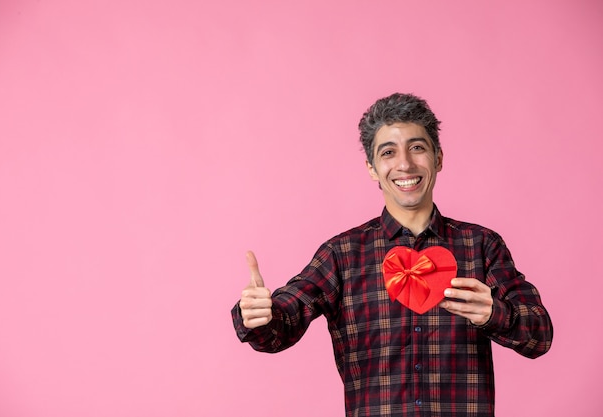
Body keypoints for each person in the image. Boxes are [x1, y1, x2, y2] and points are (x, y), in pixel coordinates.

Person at [231, 93, 553, 417]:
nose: (405, 164)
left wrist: (495, 315)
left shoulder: (482, 246)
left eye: (417, 147)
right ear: (372, 168)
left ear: (439, 158)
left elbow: (539, 336)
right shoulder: (342, 256)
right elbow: (281, 325)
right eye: (388, 152)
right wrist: (260, 313)